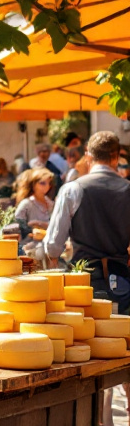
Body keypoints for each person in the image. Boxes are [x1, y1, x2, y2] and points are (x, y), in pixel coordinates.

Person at [45, 131, 130, 313]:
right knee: (120, 338)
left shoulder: (73, 189)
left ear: (87, 156)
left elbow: (53, 245)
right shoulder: (128, 189)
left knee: (87, 338)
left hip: (83, 280)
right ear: (116, 157)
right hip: (121, 280)